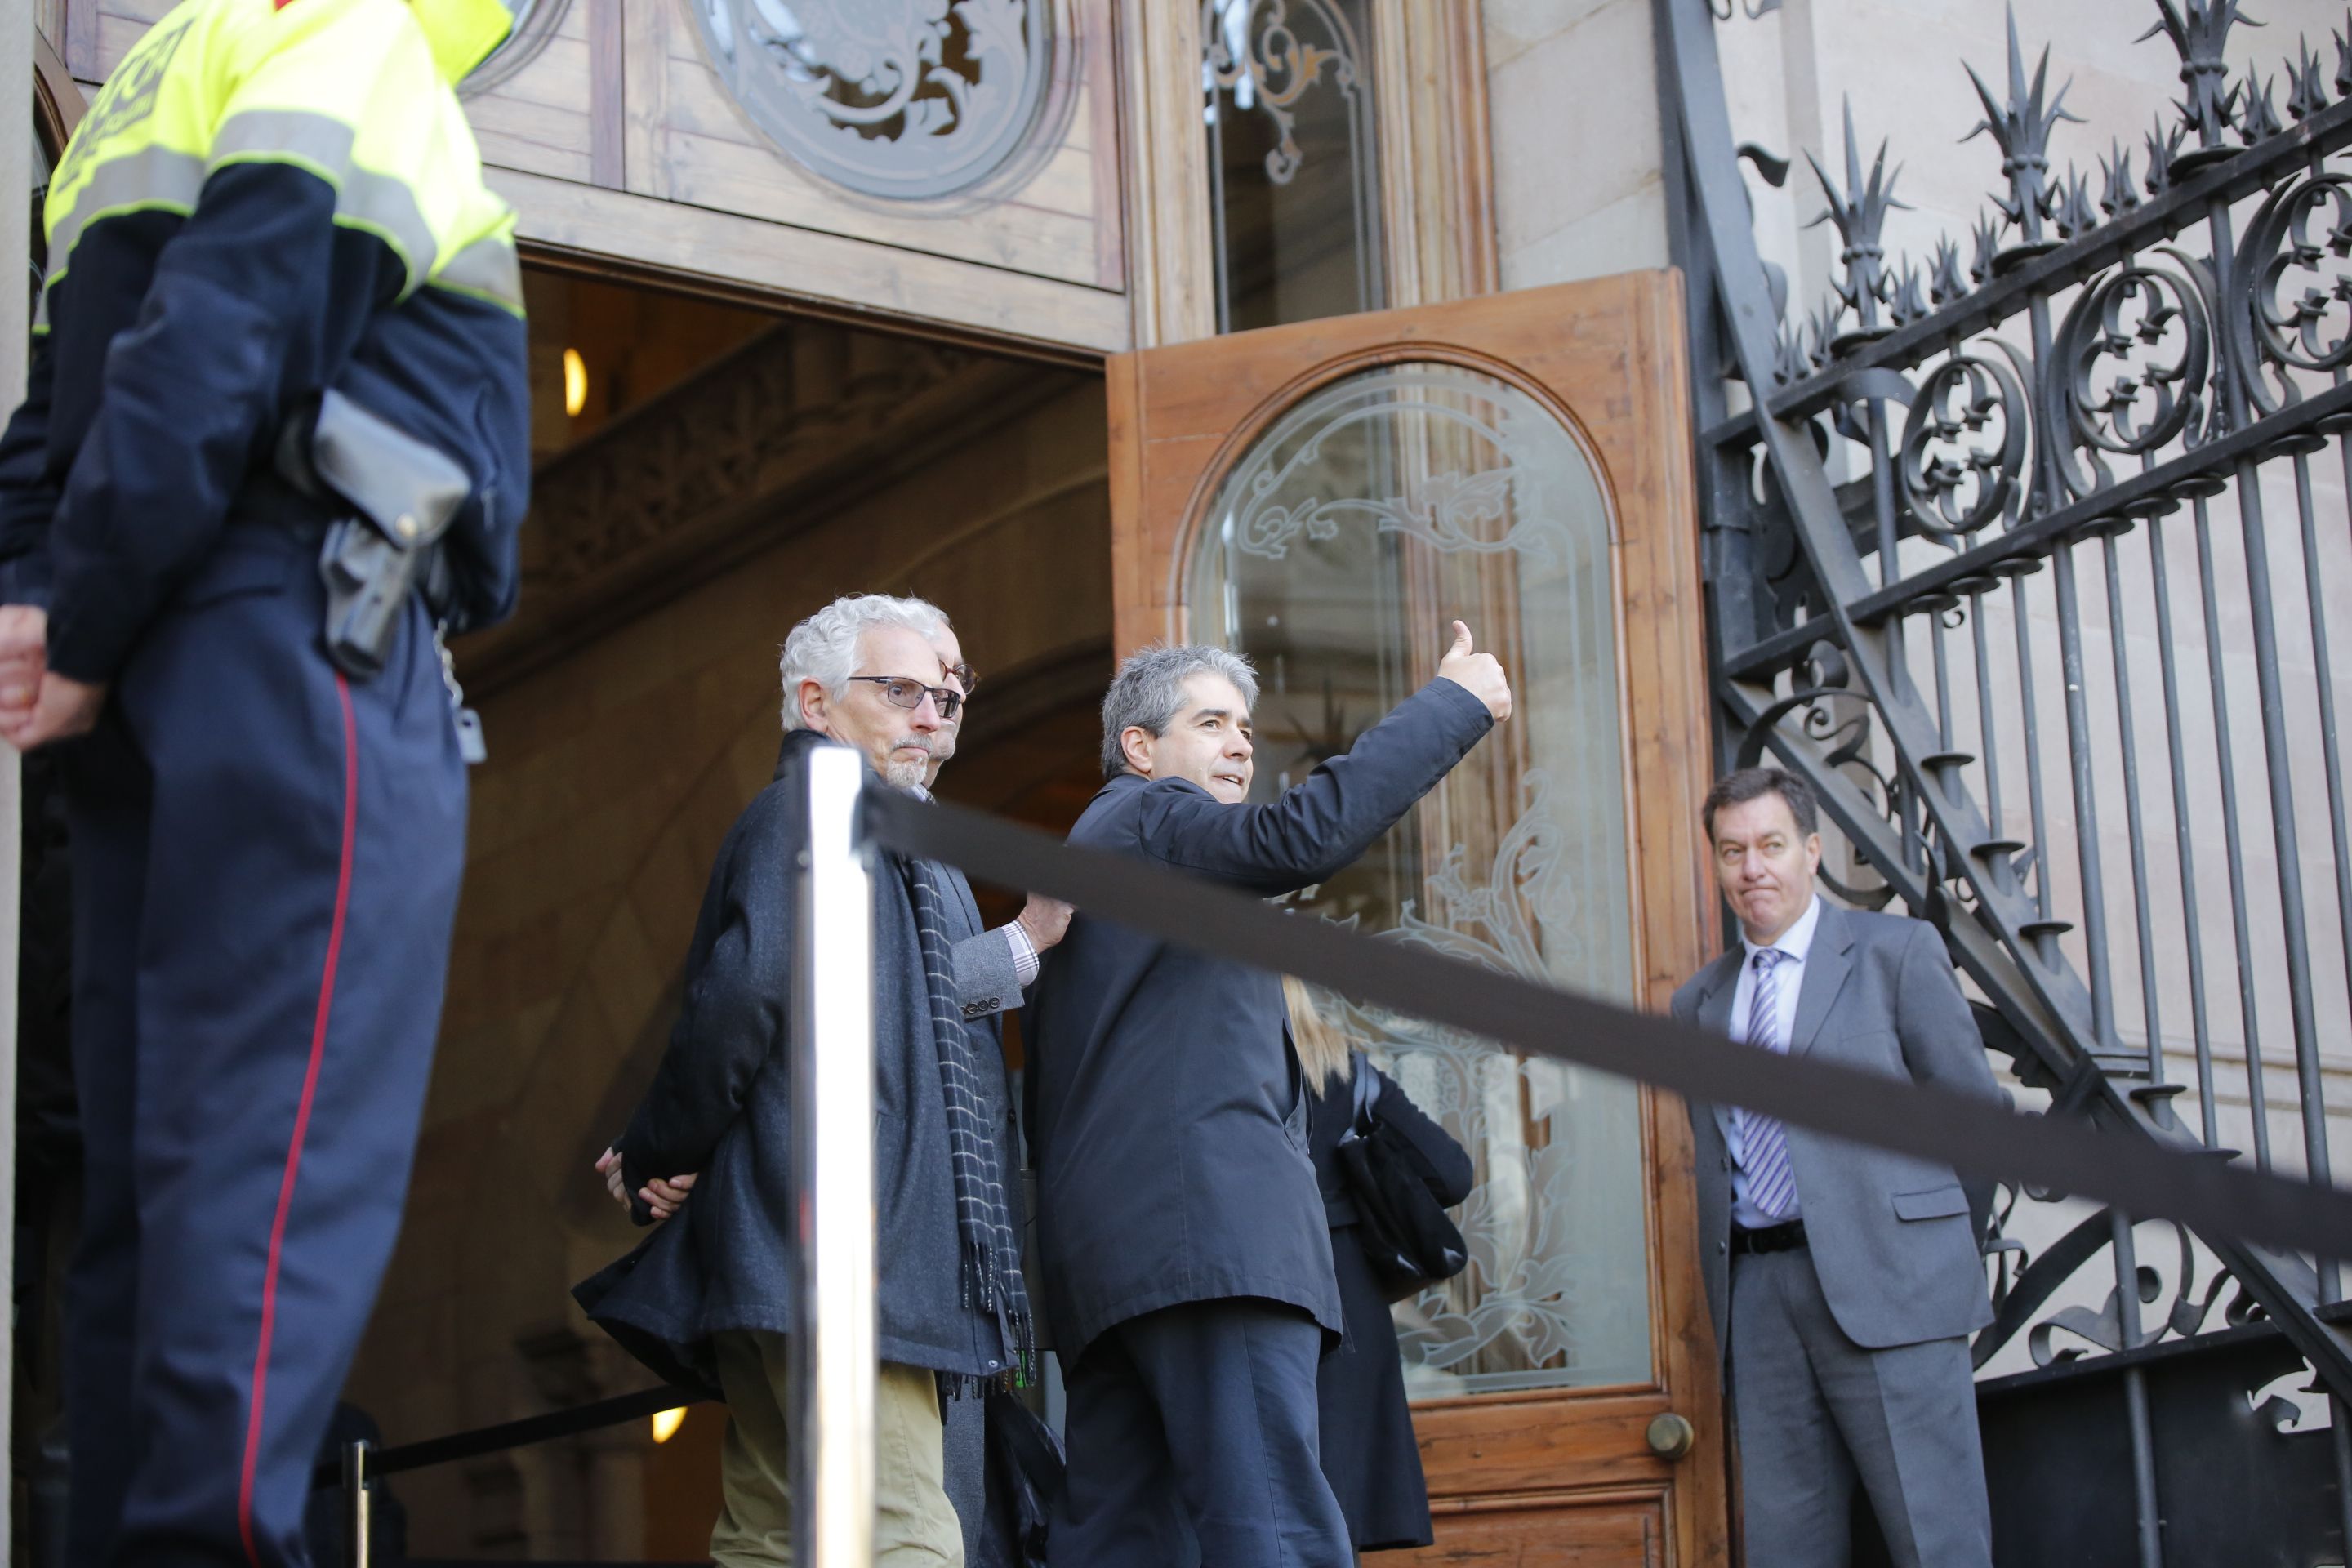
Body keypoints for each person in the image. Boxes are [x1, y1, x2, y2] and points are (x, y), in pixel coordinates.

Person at [0, 0, 532, 1558]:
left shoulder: (132, 97)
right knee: (271, 1166)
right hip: (303, 635)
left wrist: (54, 611)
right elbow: (228, 328)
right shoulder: (346, 40)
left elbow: (55, 420)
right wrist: (79, 624)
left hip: (155, 671)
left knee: (146, 1196)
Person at [577, 594, 1071, 1568]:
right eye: (900, 691)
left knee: (771, 1533)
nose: (933, 714)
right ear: (816, 701)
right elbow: (747, 995)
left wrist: (668, 1154)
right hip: (855, 1258)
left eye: (950, 695)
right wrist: (659, 1151)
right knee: (906, 1534)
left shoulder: (888, 834)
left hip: (798, 1257)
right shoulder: (821, 806)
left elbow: (867, 1006)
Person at [1028, 627, 1511, 1568]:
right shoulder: (1146, 817)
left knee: (1124, 1546)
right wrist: (1451, 702)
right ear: (1140, 748)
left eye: (1245, 727)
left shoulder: (1101, 860)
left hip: (1114, 1268)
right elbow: (1301, 837)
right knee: (1275, 1535)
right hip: (1209, 1249)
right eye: (1212, 723)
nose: (1242, 744)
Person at [1670, 766, 2000, 1568]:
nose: (1753, 869)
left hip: (1894, 1285)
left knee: (1937, 1540)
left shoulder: (1896, 954)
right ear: (1715, 863)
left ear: (1812, 852)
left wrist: (1925, 1245)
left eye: (1771, 846)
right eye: (1733, 851)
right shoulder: (1698, 1005)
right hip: (1759, 1299)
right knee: (1788, 1547)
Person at [1289, 978, 1474, 1557]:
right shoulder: (1339, 1067)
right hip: (1348, 1302)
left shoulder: (1212, 1067)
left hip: (1260, 1291)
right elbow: (1450, 1173)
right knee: (1337, 1515)